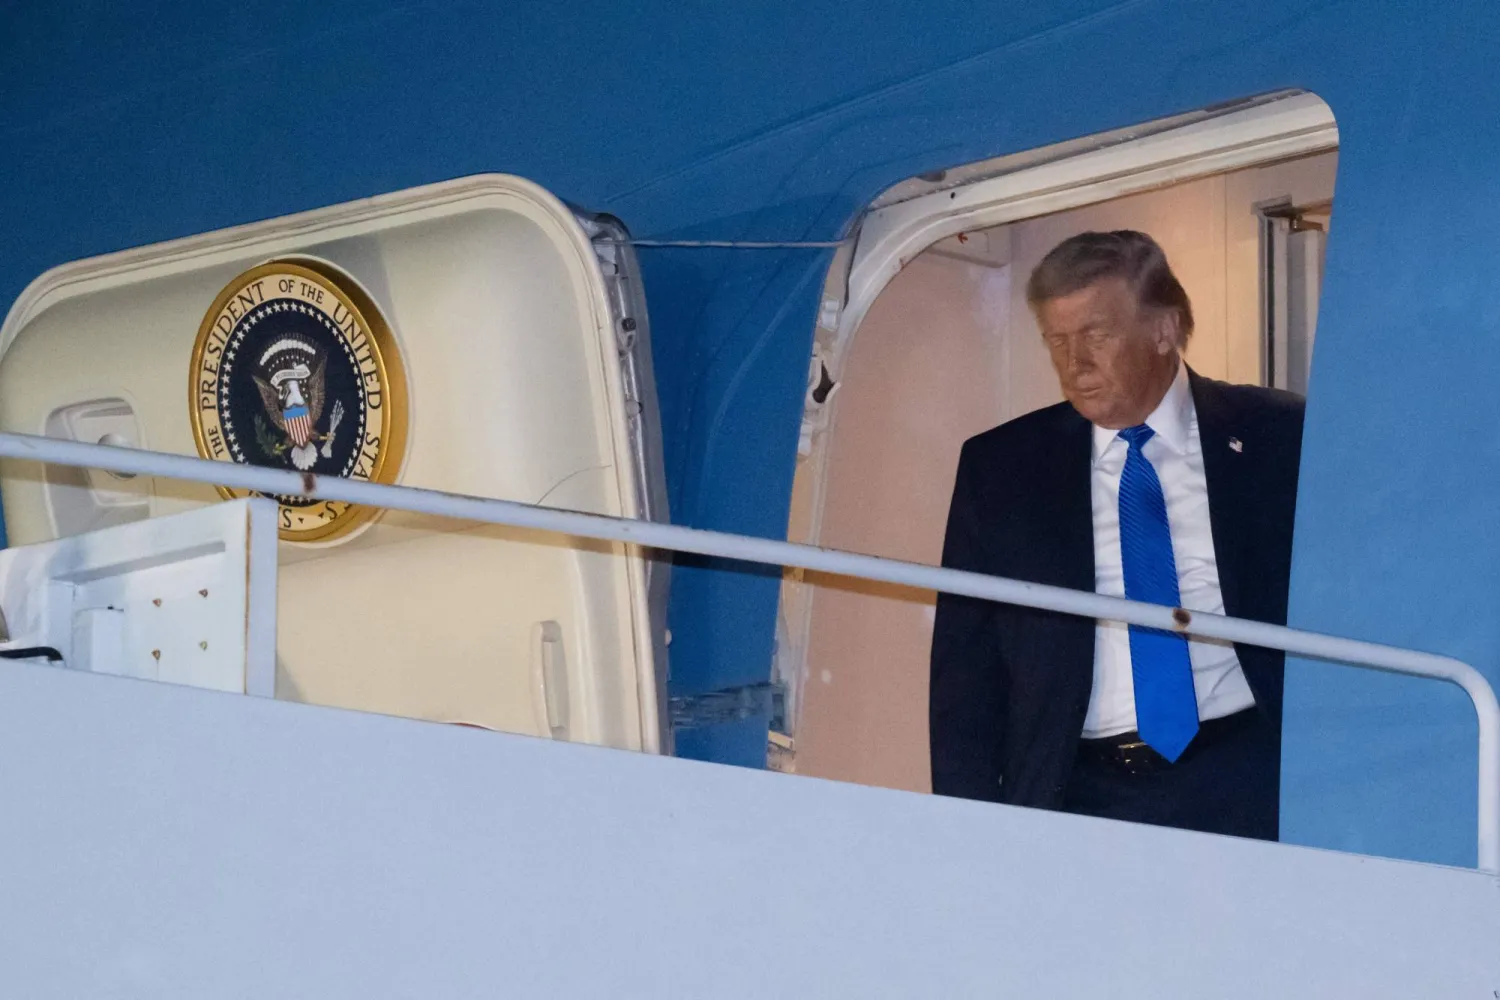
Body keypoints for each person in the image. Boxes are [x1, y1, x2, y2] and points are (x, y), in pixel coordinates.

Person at [928, 229, 1304, 840]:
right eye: (1057, 340)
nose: (1073, 364)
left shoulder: (1279, 436)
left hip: (1251, 773)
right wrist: (966, 830)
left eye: (1096, 336)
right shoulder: (1002, 469)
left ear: (1163, 330)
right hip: (1080, 790)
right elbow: (966, 673)